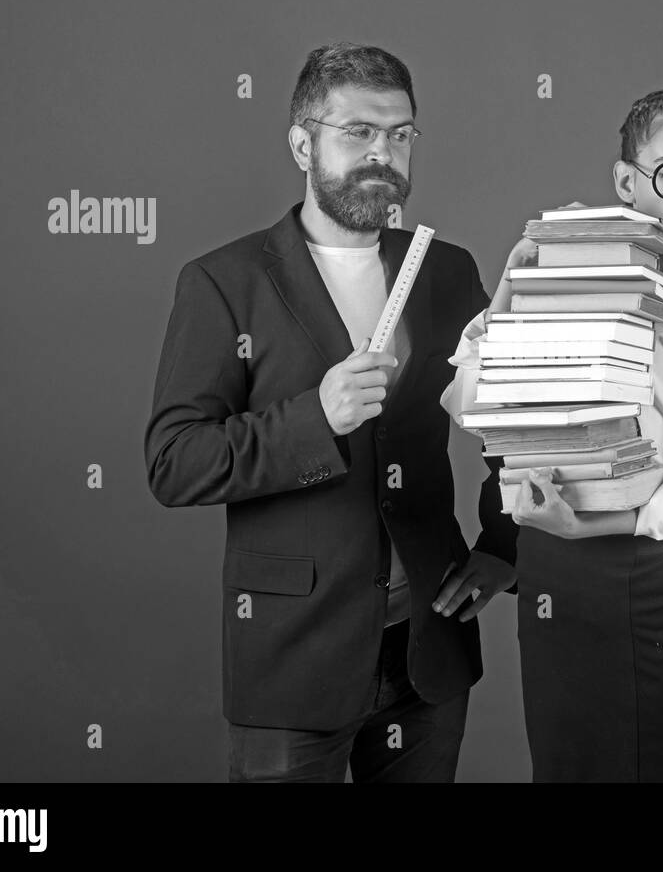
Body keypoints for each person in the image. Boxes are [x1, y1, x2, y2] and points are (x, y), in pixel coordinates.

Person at [144, 42, 515, 782]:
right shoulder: (225, 282)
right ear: (302, 142)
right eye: (359, 133)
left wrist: (505, 542)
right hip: (292, 662)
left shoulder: (446, 270)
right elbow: (174, 461)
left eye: (401, 134)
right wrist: (317, 417)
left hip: (426, 655)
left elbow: (507, 415)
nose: (384, 153)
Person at [439, 88, 663, 781]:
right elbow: (477, 404)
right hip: (553, 584)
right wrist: (516, 290)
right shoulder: (564, 271)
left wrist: (600, 520)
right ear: (625, 179)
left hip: (656, 585)